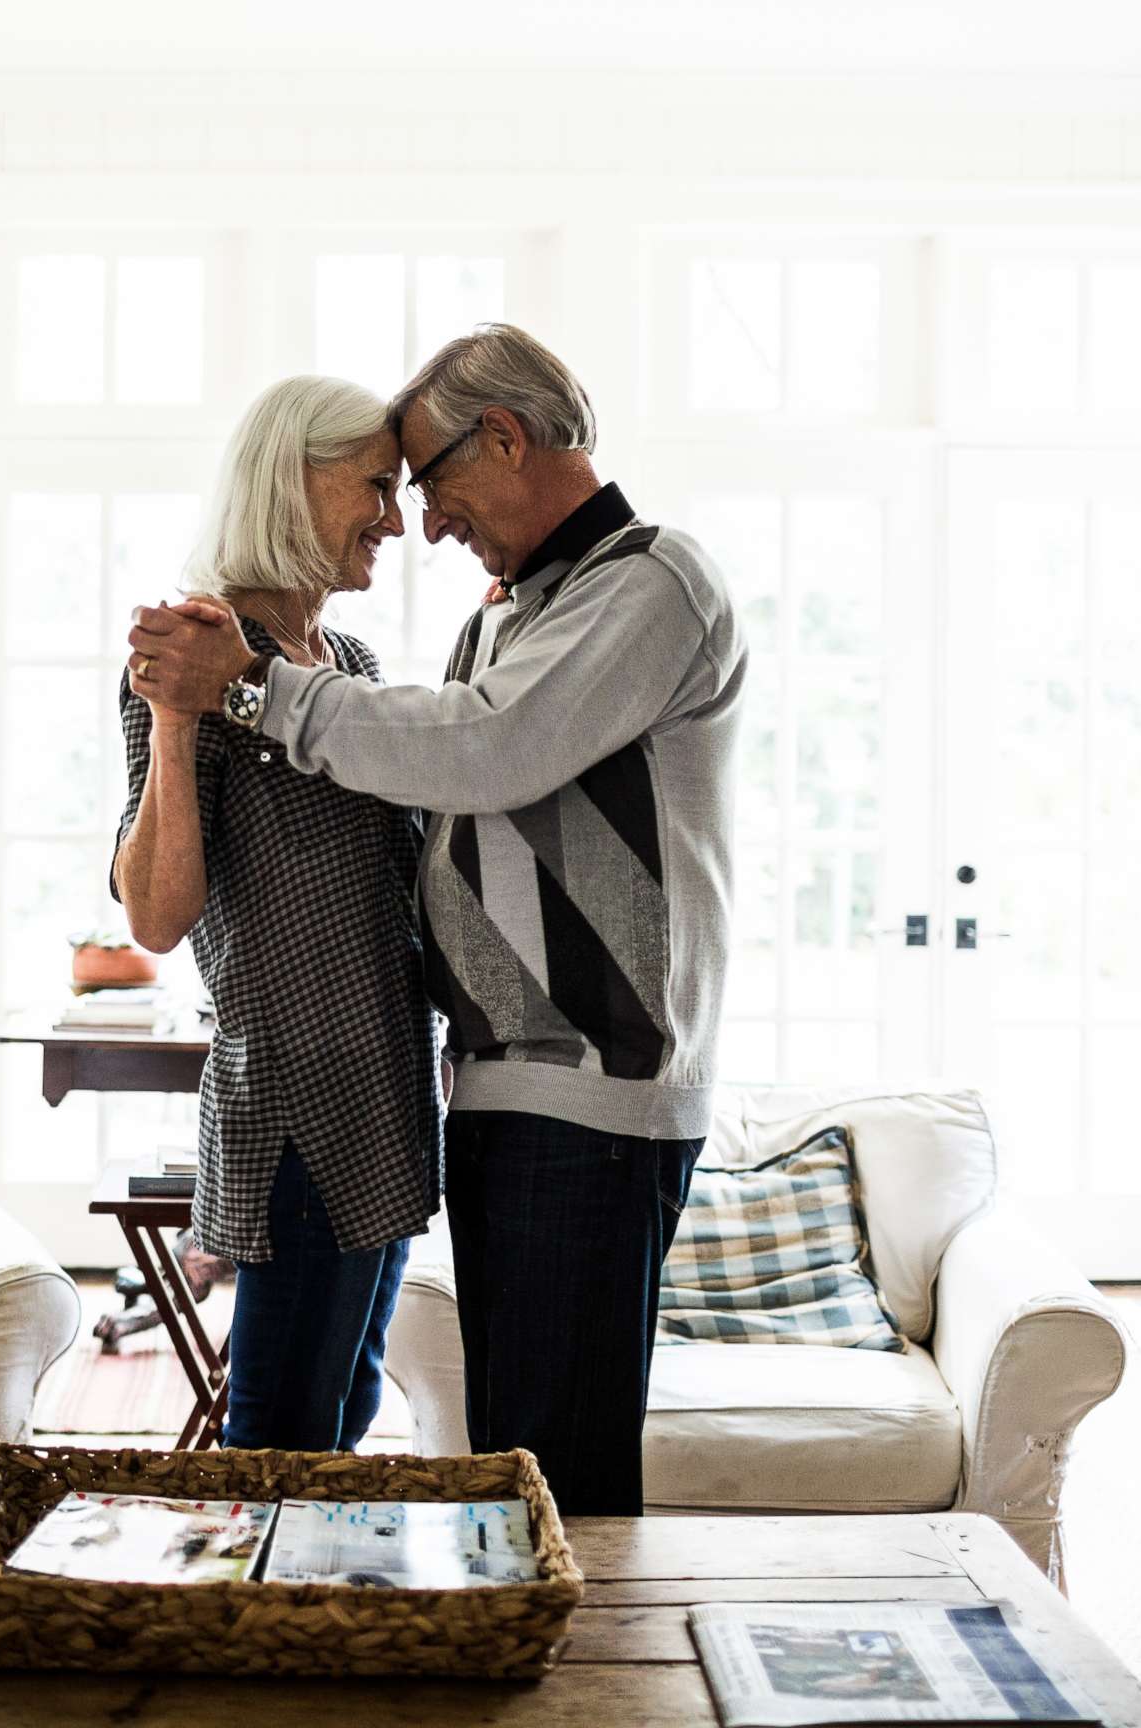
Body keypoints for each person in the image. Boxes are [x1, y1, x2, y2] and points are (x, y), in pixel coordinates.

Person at [124, 325, 745, 1515]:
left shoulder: (642, 582)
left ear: (504, 438)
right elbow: (174, 901)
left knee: (528, 1459)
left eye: (426, 483)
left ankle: (574, 1686)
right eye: (380, 487)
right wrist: (194, 708)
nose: (419, 521)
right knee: (438, 1441)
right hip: (412, 1092)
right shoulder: (506, 613)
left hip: (558, 1092)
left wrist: (254, 691)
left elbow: (483, 749)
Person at [110, 374, 441, 1453]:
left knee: (344, 1412)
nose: (394, 520)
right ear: (293, 483)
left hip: (389, 1087)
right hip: (299, 1104)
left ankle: (321, 1620)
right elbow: (156, 919)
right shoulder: (198, 649)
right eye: (375, 488)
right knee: (279, 1434)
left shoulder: (349, 666)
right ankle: (254, 1623)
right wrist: (171, 721)